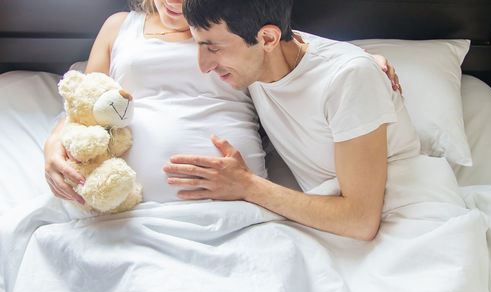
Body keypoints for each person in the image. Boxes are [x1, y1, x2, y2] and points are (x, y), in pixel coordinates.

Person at [43, 0, 399, 213]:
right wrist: (52, 145)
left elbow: (295, 50)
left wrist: (364, 60)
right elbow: (84, 102)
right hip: (123, 204)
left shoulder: (238, 24)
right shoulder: (120, 27)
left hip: (231, 204)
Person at [163, 0, 421, 241]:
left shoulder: (348, 77)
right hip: (320, 219)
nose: (204, 66)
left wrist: (247, 186)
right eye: (199, 45)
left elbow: (361, 222)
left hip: (400, 214)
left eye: (214, 49)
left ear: (267, 39)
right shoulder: (256, 54)